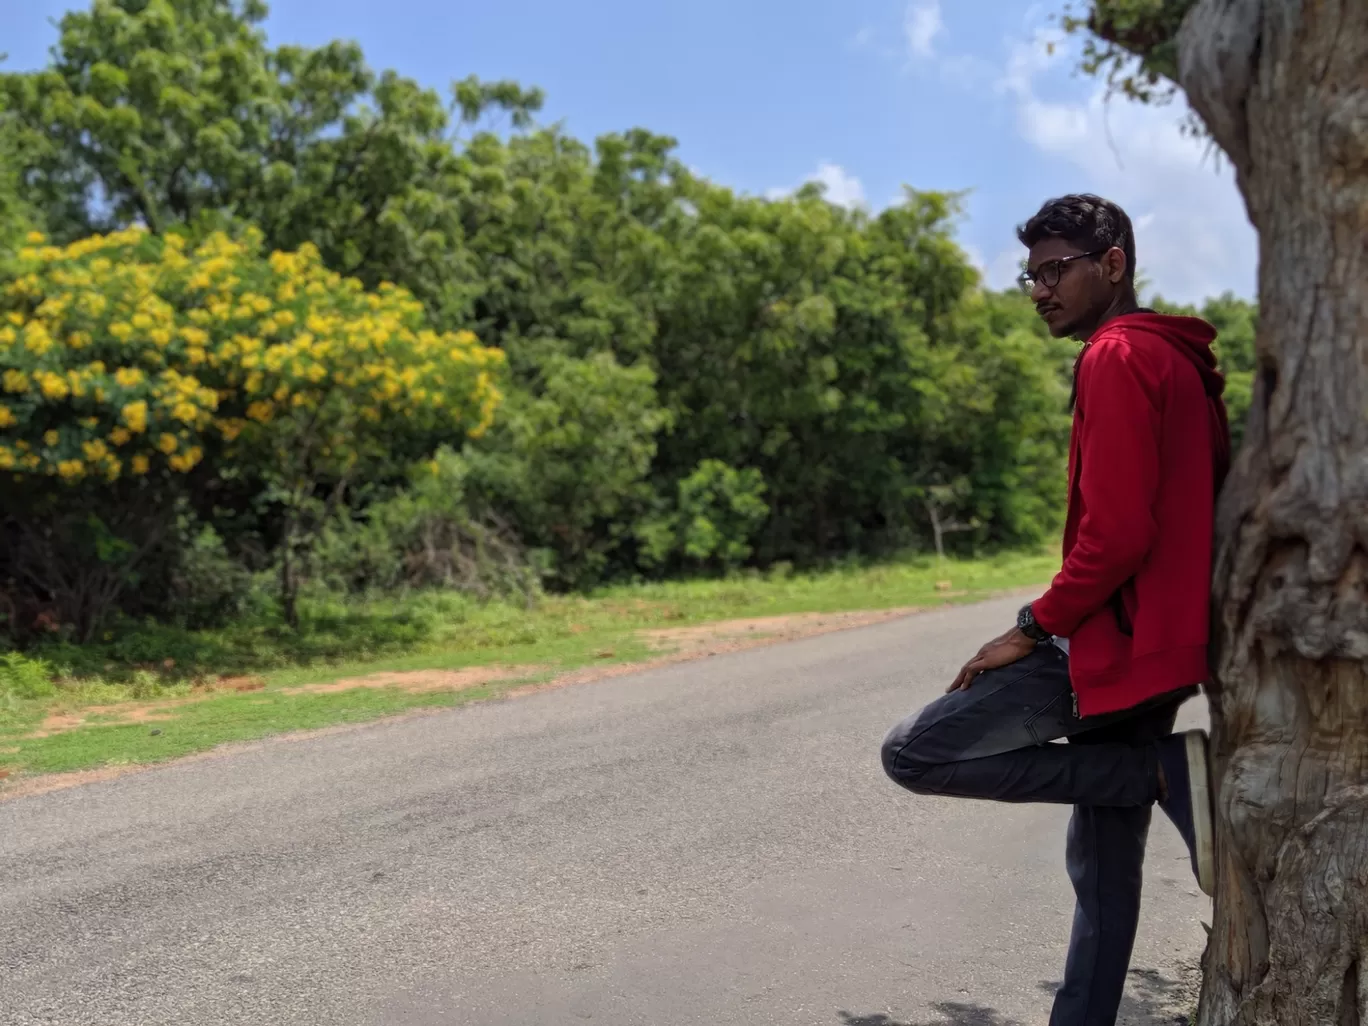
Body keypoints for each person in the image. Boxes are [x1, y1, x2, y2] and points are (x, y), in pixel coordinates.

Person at [880, 194, 1231, 1026]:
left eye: (1055, 270)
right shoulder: (1174, 360)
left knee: (916, 753)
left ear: (1111, 266)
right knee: (1102, 867)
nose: (1039, 290)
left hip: (1116, 640)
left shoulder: (1114, 357)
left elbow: (1115, 538)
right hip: (1166, 646)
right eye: (1030, 274)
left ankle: (1164, 774)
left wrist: (1030, 629)